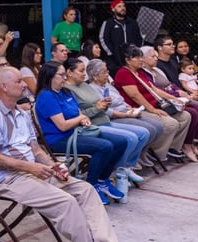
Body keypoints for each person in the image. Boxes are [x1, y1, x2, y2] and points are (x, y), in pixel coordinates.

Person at [0, 66, 123, 242]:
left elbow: (36, 149)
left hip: (33, 171)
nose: (24, 85)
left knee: (86, 190)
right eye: (19, 81)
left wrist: (52, 165)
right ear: (4, 86)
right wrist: (31, 167)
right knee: (66, 202)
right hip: (8, 178)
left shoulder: (22, 114)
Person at [34, 61, 128, 204]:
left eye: (65, 74)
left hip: (77, 132)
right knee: (104, 147)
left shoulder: (66, 92)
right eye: (61, 75)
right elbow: (62, 126)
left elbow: (78, 113)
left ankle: (102, 180)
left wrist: (84, 120)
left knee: (121, 142)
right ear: (50, 76)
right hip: (59, 139)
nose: (65, 78)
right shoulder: (46, 96)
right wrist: (80, 119)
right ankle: (92, 185)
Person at [63, 58, 148, 183]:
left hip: (104, 118)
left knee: (144, 133)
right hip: (93, 125)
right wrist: (97, 108)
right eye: (81, 71)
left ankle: (126, 166)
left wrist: (104, 104)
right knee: (130, 138)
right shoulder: (67, 90)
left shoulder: (84, 85)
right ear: (69, 72)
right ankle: (118, 170)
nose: (84, 74)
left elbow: (97, 104)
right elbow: (77, 115)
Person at [113, 44, 191, 163]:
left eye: (141, 57)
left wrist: (174, 98)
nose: (141, 60)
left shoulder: (139, 72)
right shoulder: (124, 73)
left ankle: (171, 147)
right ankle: (156, 152)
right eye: (138, 57)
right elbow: (135, 95)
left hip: (156, 104)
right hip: (140, 108)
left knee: (185, 116)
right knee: (170, 123)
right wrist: (152, 110)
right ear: (128, 60)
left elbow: (154, 89)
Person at [86, 59, 164, 169]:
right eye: (104, 72)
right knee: (148, 130)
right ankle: (129, 160)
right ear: (95, 76)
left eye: (107, 71)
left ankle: (142, 152)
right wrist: (127, 115)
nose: (107, 74)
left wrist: (131, 109)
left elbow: (121, 100)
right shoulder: (92, 89)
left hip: (126, 111)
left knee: (158, 126)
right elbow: (107, 111)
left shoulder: (108, 85)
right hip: (116, 116)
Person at [140, 45, 198, 162]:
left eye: (156, 56)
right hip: (164, 101)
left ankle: (186, 143)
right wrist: (176, 95)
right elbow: (158, 90)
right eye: (153, 56)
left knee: (195, 107)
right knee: (191, 112)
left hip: (173, 97)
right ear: (143, 59)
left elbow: (170, 84)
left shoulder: (157, 70)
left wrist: (180, 91)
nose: (156, 58)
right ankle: (182, 145)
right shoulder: (143, 73)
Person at [99, 0, 143, 75]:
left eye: (123, 6)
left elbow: (140, 37)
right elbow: (103, 38)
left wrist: (136, 51)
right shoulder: (108, 23)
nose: (123, 8)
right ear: (113, 9)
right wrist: (111, 52)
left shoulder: (132, 22)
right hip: (114, 59)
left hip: (132, 58)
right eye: (119, 6)